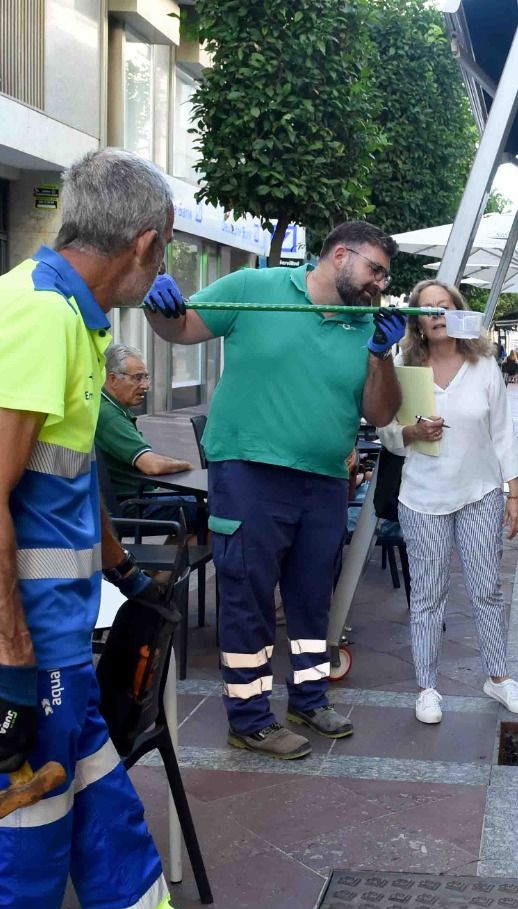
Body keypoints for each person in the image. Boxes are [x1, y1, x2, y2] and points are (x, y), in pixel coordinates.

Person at [0, 148, 283, 909]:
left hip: (43, 644)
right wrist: (12, 677)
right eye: (163, 259)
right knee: (21, 846)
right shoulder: (41, 323)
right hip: (7, 651)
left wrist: (121, 571)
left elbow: (62, 481)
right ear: (146, 245)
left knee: (105, 816)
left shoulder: (59, 315)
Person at [144, 221, 405, 760]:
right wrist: (156, 303)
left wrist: (380, 355)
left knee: (312, 596)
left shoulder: (365, 323)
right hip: (249, 473)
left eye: (384, 276)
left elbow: (381, 414)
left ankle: (309, 699)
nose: (381, 284)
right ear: (340, 256)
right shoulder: (254, 288)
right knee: (248, 595)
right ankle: (249, 719)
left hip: (325, 479)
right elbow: (181, 328)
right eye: (375, 270)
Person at [382, 279, 518, 726]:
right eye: (426, 308)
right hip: (421, 496)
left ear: (458, 312)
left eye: (444, 306)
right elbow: (386, 431)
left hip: (479, 492)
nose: (436, 314)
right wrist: (412, 432)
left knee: (486, 589)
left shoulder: (483, 365)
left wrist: (514, 492)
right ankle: (427, 687)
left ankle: (498, 677)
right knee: (427, 595)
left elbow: (503, 432)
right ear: (416, 320)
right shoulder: (402, 366)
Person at [95, 342, 205, 529]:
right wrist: (187, 465)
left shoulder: (108, 407)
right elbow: (152, 465)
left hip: (132, 499)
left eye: (146, 377)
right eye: (137, 378)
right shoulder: (110, 417)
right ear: (113, 379)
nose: (145, 385)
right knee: (211, 509)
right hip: (132, 505)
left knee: (198, 513)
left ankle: (181, 548)